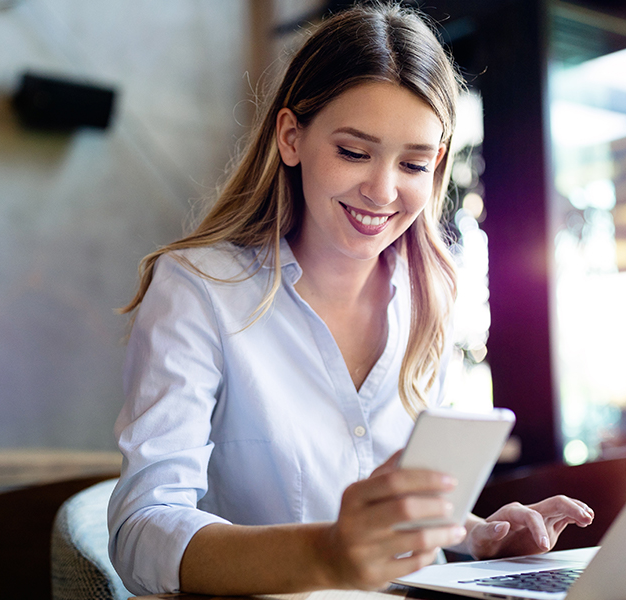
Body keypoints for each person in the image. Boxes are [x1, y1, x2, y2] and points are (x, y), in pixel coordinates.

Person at [106, 5, 592, 596]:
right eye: (354, 153)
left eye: (412, 163)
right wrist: (326, 553)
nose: (383, 191)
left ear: (436, 164)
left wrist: (478, 535)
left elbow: (398, 515)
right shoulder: (199, 289)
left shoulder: (429, 299)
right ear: (292, 137)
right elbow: (141, 533)